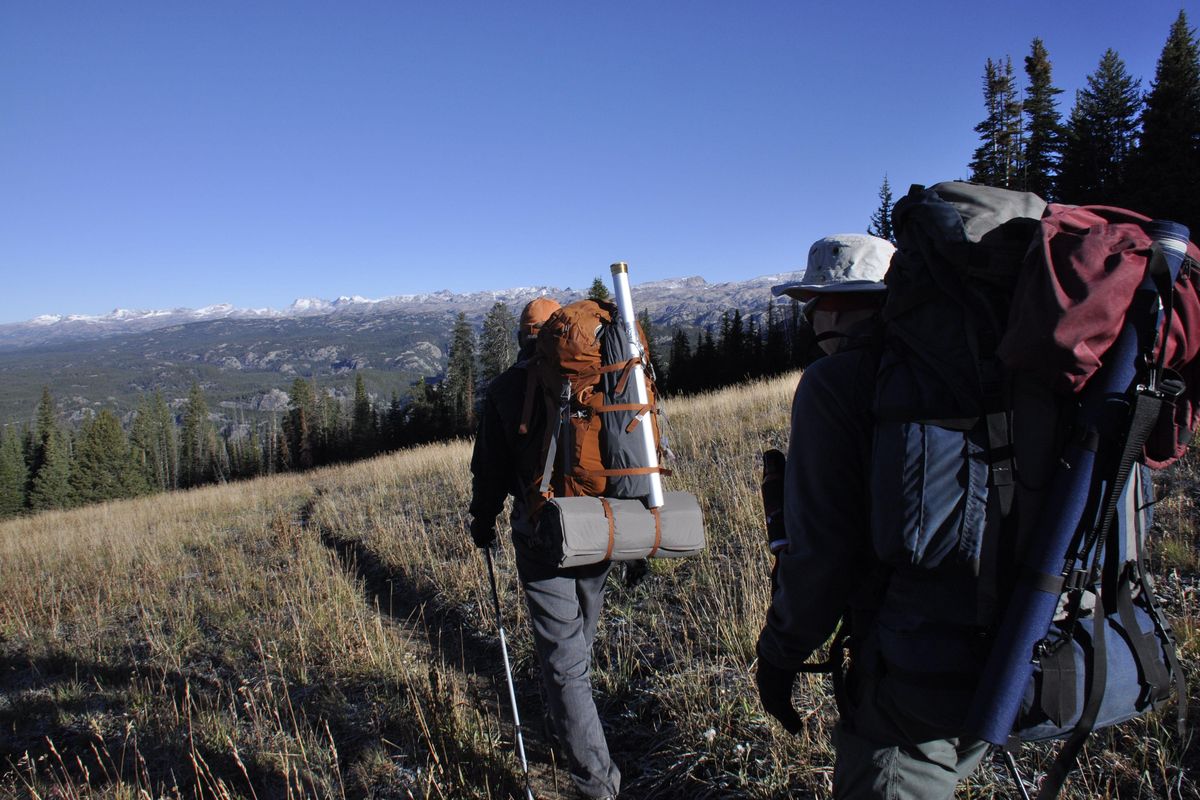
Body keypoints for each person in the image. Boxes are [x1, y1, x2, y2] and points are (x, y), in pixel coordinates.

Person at [756, 234, 990, 799]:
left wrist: (780, 654)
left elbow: (820, 557)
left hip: (910, 664)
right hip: (1010, 637)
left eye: (814, 305)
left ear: (836, 309)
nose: (811, 320)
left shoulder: (833, 385)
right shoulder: (973, 364)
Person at [469, 297, 621, 800]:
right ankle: (572, 728)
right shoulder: (596, 374)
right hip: (600, 529)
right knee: (580, 636)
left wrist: (482, 519)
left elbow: (489, 468)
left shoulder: (506, 389)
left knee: (564, 657)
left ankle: (595, 781)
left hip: (543, 535)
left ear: (522, 336)